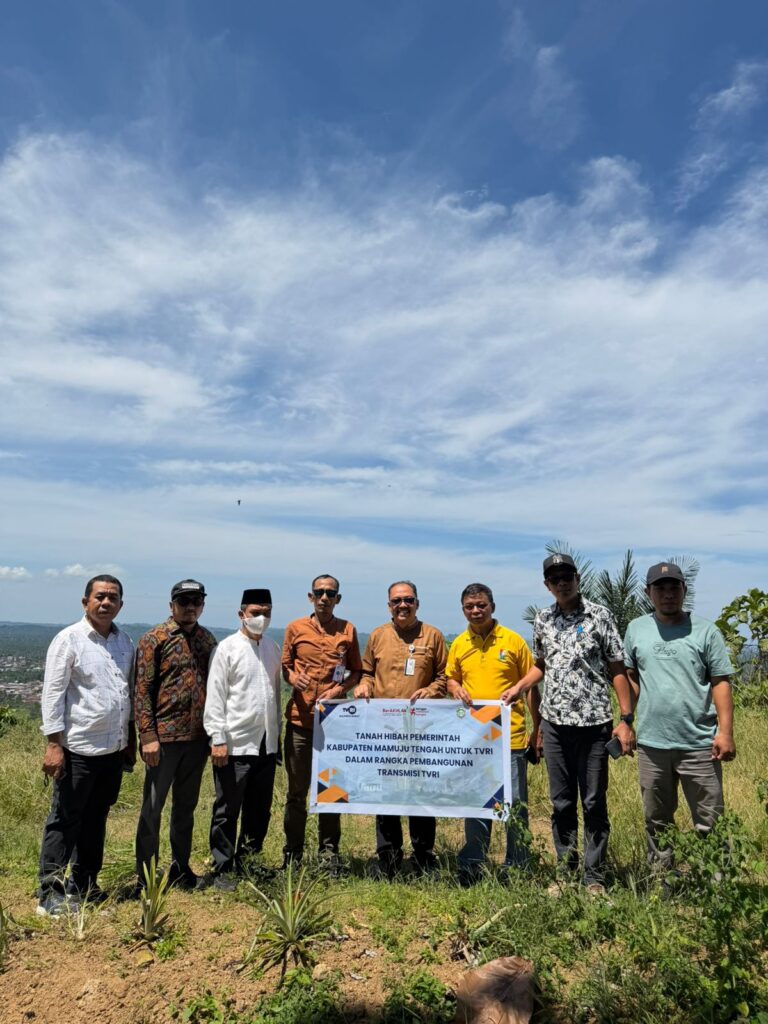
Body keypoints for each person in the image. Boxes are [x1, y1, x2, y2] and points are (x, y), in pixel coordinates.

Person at [503, 554, 634, 894]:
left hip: (594, 724)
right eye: (554, 579)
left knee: (593, 802)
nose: (562, 583)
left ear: (577, 578)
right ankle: (565, 872)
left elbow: (617, 668)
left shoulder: (600, 615)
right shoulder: (543, 619)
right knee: (561, 803)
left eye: (566, 577)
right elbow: (542, 664)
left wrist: (626, 719)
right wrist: (520, 686)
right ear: (547, 585)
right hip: (555, 725)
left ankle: (594, 877)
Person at [623, 562, 735, 870]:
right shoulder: (636, 629)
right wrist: (626, 720)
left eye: (674, 587)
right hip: (652, 744)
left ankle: (716, 885)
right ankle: (663, 881)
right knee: (656, 818)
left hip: (699, 744)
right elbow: (631, 676)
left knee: (710, 820)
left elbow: (721, 682)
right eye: (660, 588)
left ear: (685, 590)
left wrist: (725, 733)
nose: (668, 594)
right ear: (648, 592)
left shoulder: (706, 631)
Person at [37, 575, 135, 916]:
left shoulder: (125, 642)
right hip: (77, 748)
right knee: (65, 820)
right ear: (85, 602)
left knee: (96, 819)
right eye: (100, 596)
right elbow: (53, 693)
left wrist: (129, 740)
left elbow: (126, 694)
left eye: (113, 597)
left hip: (112, 750)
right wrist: (54, 744)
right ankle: (50, 893)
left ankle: (84, 885)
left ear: (121, 604)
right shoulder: (69, 640)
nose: (106, 602)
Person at [445, 583, 542, 884]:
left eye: (481, 605)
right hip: (474, 739)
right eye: (469, 606)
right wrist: (455, 688)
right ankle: (472, 864)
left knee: (515, 805)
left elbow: (530, 687)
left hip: (510, 739)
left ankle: (517, 867)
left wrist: (537, 729)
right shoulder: (459, 644)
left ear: (492, 607)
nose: (476, 611)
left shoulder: (513, 641)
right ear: (463, 610)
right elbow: (450, 679)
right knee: (476, 803)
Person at [355, 580, 447, 877]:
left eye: (408, 600)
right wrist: (364, 686)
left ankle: (423, 856)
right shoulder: (378, 635)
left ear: (417, 603)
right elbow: (367, 673)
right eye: (396, 601)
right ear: (389, 605)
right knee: (386, 792)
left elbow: (444, 677)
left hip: (421, 730)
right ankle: (388, 856)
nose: (402, 605)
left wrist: (431, 691)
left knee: (420, 792)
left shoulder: (432, 636)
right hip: (384, 730)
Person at [134, 579, 217, 889]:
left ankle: (181, 869)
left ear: (203, 606)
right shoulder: (154, 639)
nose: (190, 607)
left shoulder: (207, 640)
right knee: (152, 810)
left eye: (196, 601)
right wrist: (147, 736)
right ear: (172, 605)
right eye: (184, 601)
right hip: (164, 740)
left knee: (185, 808)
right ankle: (146, 876)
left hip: (197, 739)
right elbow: (142, 690)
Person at [281, 574, 362, 872]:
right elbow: (285, 667)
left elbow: (356, 672)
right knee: (296, 793)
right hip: (300, 722)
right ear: (310, 597)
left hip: (334, 724)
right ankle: (292, 854)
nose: (324, 598)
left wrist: (339, 690)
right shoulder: (295, 628)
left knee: (331, 790)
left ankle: (329, 855)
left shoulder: (348, 630)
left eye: (330, 593)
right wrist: (293, 678)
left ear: (338, 598)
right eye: (319, 592)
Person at [204, 588, 281, 891]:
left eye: (266, 613)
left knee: (259, 809)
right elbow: (215, 696)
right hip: (235, 742)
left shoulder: (273, 648)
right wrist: (217, 738)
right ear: (241, 614)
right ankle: (222, 867)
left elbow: (274, 695)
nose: (261, 618)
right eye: (255, 613)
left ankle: (249, 861)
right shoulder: (227, 649)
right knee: (227, 809)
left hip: (266, 742)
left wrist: (276, 738)